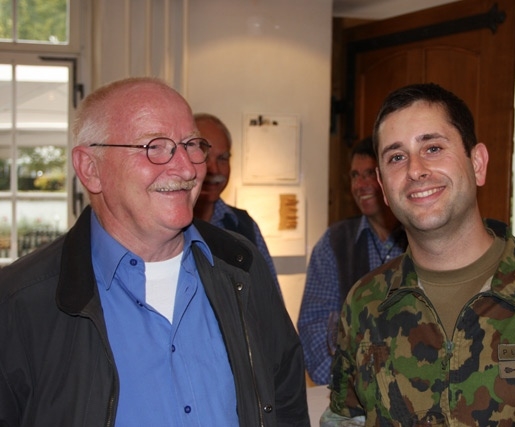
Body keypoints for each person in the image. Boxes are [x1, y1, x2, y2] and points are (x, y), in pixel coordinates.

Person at [322, 83, 515, 426]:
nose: (415, 170)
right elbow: (345, 419)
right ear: (384, 187)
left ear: (477, 164)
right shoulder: (366, 305)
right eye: (396, 157)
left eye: (433, 148)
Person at [0, 77, 310, 427]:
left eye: (191, 145)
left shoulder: (241, 265)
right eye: (155, 147)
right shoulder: (19, 302)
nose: (187, 168)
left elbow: (285, 396)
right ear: (91, 168)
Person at [298, 137, 407, 385]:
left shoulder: (422, 237)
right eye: (355, 176)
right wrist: (348, 385)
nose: (360, 185)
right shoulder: (334, 243)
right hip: (353, 393)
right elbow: (314, 326)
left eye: (369, 174)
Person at [192, 113, 280, 288]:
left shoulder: (244, 226)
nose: (214, 169)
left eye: (222, 158)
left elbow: (269, 296)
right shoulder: (164, 225)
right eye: (204, 156)